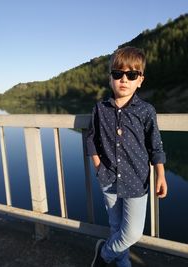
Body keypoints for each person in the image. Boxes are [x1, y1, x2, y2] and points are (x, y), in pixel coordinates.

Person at [86, 46, 167, 267]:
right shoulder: (100, 108)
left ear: (140, 80)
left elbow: (155, 145)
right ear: (110, 78)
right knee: (116, 227)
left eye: (131, 75)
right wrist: (98, 168)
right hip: (108, 179)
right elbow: (91, 139)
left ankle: (103, 254)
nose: (124, 79)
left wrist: (160, 175)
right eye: (117, 74)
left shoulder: (146, 111)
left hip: (136, 182)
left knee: (131, 233)